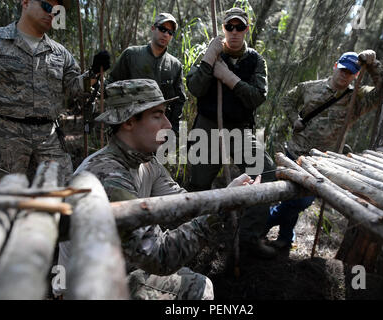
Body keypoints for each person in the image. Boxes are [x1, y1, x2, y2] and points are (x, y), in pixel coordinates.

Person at [58, 79, 260, 300]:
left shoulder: (145, 163)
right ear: (128, 122)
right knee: (200, 290)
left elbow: (186, 203)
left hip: (121, 269)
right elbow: (159, 256)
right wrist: (222, 209)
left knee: (196, 285)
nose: (168, 124)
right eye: (157, 115)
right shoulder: (107, 177)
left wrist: (227, 194)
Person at [266, 50, 383, 250]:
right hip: (295, 153)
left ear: (356, 75)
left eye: (350, 72)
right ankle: (286, 238)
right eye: (342, 69)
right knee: (289, 196)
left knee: (301, 201)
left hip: (322, 163)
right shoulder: (310, 88)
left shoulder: (357, 98)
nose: (344, 75)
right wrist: (293, 118)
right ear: (335, 66)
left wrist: (374, 64)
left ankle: (264, 223)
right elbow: (287, 100)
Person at [185, 7, 277, 259]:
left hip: (240, 130)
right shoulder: (212, 52)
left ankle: (249, 238)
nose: (234, 32)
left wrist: (228, 78)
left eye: (239, 27)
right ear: (224, 28)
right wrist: (208, 59)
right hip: (208, 127)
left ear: (246, 29)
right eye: (229, 27)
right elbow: (194, 86)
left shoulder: (256, 60)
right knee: (199, 185)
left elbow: (257, 97)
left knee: (265, 172)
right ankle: (191, 238)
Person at [0, 0, 110, 185]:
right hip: (4, 138)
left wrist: (93, 72)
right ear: (25, 2)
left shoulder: (60, 53)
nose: (52, 14)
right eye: (47, 6)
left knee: (61, 193)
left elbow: (75, 88)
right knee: (4, 200)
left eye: (57, 11)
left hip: (48, 137)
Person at [106, 13, 186, 133]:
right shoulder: (131, 55)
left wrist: (173, 130)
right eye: (162, 29)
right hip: (131, 129)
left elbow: (179, 100)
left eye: (170, 32)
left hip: (160, 132)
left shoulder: (175, 65)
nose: (165, 34)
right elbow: (111, 86)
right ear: (153, 28)